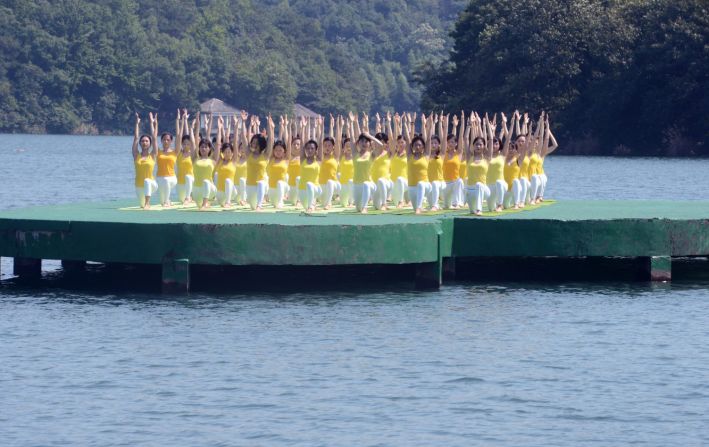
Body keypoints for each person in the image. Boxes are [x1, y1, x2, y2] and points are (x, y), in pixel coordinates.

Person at [348, 113, 382, 213]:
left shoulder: (371, 154)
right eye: (362, 141)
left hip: (369, 184)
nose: (364, 143)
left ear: (369, 143)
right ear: (358, 143)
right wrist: (353, 122)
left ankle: (365, 207)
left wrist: (370, 136)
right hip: (357, 185)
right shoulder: (355, 154)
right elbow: (352, 138)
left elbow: (380, 145)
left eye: (366, 141)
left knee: (366, 185)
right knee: (357, 209)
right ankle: (362, 207)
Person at [240, 111, 273, 210]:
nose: (253, 145)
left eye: (255, 143)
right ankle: (256, 205)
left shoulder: (265, 155)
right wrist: (243, 122)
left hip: (261, 185)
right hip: (250, 186)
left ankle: (260, 204)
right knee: (252, 206)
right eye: (252, 143)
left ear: (261, 145)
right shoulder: (248, 154)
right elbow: (243, 137)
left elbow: (271, 140)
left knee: (261, 183)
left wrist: (269, 126)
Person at [402, 112, 433, 214]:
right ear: (413, 146)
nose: (418, 147)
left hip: (425, 185)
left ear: (423, 147)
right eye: (416, 145)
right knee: (415, 209)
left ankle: (420, 207)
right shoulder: (410, 156)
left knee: (421, 184)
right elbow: (407, 137)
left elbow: (428, 139)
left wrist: (429, 124)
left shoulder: (426, 156)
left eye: (420, 145)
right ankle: (420, 208)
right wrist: (405, 123)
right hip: (412, 187)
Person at [189, 115, 219, 210]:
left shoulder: (213, 160)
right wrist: (194, 126)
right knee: (199, 205)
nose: (203, 148)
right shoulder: (195, 159)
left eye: (206, 147)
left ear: (210, 148)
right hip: (197, 190)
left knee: (206, 181)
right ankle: (205, 203)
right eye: (202, 146)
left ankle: (205, 203)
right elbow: (193, 142)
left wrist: (220, 128)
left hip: (210, 189)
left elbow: (218, 144)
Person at [132, 113, 158, 209]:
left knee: (147, 181)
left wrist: (153, 123)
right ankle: (145, 203)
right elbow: (135, 138)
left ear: (150, 144)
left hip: (152, 184)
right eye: (143, 141)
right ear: (140, 143)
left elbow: (154, 138)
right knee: (141, 206)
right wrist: (137, 123)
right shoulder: (136, 155)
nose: (144, 143)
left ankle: (148, 203)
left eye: (147, 141)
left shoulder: (153, 155)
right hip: (139, 186)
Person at [318, 115, 343, 210]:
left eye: (329, 145)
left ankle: (329, 203)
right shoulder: (320, 157)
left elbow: (338, 140)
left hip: (334, 185)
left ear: (333, 147)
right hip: (322, 186)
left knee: (330, 182)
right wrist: (321, 126)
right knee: (321, 203)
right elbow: (319, 142)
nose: (327, 147)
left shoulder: (335, 156)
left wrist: (337, 125)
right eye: (325, 145)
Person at [442, 112, 466, 209]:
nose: (451, 144)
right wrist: (447, 124)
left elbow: (460, 137)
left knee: (460, 181)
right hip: (445, 184)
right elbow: (443, 137)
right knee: (446, 206)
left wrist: (463, 120)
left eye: (453, 142)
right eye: (449, 142)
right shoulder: (443, 153)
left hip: (455, 183)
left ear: (456, 144)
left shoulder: (459, 153)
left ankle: (457, 203)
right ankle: (447, 202)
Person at [154, 113, 178, 207]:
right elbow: (154, 138)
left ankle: (167, 200)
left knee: (166, 181)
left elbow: (179, 135)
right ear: (161, 141)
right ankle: (166, 200)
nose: (166, 141)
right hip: (160, 178)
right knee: (161, 201)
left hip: (171, 178)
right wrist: (155, 123)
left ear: (171, 141)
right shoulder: (158, 152)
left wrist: (179, 121)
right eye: (164, 139)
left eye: (168, 140)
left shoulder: (175, 152)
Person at [267, 115, 290, 209]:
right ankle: (277, 201)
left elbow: (287, 142)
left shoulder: (286, 159)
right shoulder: (271, 158)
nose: (278, 152)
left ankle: (281, 200)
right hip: (272, 189)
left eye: (280, 150)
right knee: (274, 204)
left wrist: (284, 127)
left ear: (284, 151)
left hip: (283, 186)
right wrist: (271, 128)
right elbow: (271, 141)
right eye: (276, 150)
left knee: (280, 183)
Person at [175, 109, 195, 204]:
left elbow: (189, 136)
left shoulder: (193, 153)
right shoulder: (178, 154)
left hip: (191, 180)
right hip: (180, 183)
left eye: (188, 144)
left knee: (188, 177)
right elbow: (179, 136)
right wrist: (182, 120)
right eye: (184, 144)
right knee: (181, 200)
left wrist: (186, 121)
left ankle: (189, 196)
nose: (186, 145)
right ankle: (188, 197)